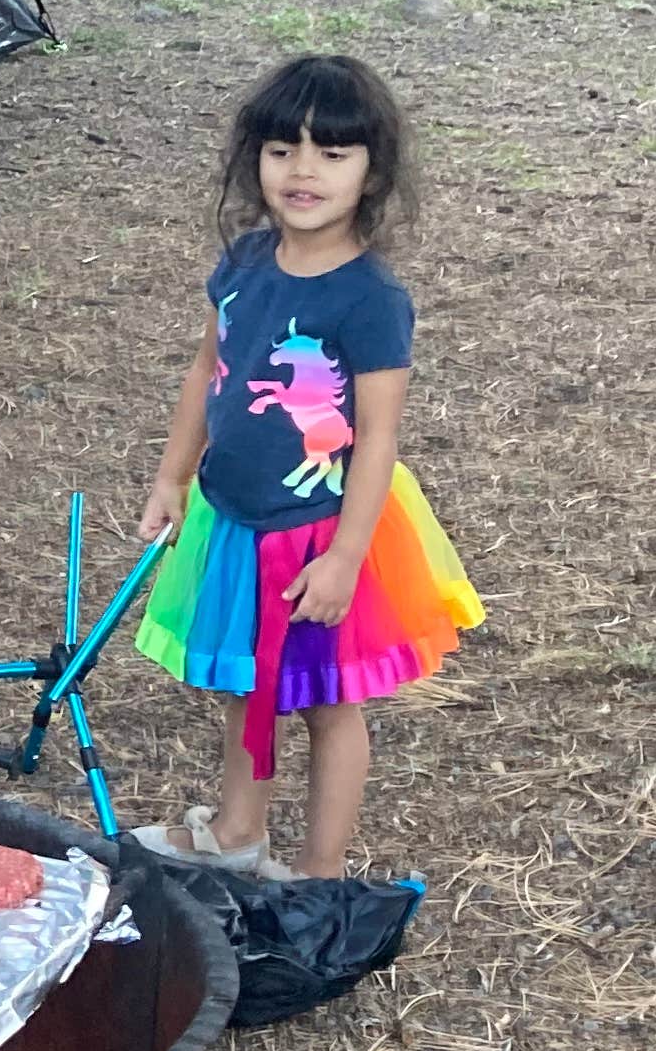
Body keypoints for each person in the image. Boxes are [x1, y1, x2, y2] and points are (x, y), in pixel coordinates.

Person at [126, 54, 481, 879]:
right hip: (235, 518)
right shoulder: (245, 262)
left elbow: (378, 439)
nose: (303, 171)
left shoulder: (369, 300)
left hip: (318, 531)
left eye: (332, 153)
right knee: (246, 681)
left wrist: (346, 558)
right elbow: (207, 372)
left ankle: (319, 877)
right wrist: (173, 476)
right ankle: (237, 832)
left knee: (327, 702)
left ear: (373, 172)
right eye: (283, 150)